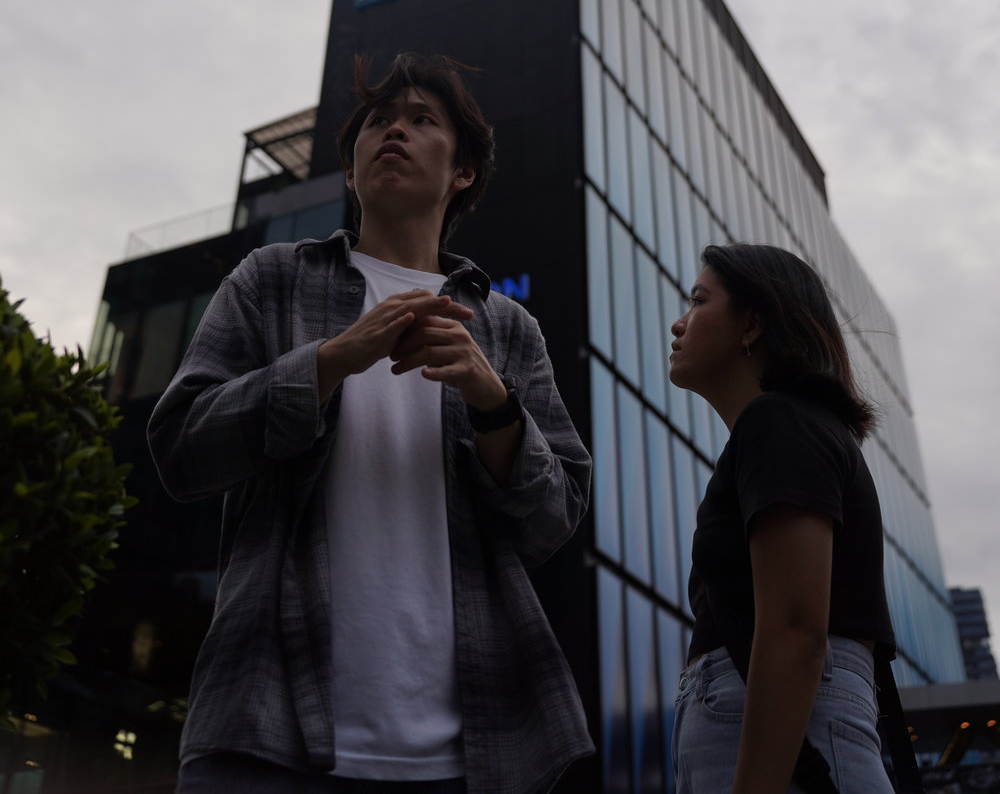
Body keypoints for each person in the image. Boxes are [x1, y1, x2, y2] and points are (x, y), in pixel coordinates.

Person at [148, 52, 593, 794]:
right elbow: (181, 447)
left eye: (423, 120)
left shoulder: (507, 328)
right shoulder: (272, 278)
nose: (395, 131)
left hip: (474, 748)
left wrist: (493, 401)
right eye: (379, 121)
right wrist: (331, 359)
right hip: (266, 722)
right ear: (351, 171)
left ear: (463, 174)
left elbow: (553, 522)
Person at [668, 243, 897, 794]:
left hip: (781, 732)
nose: (679, 323)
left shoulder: (780, 421)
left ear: (752, 325)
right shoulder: (788, 428)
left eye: (699, 301)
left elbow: (795, 631)